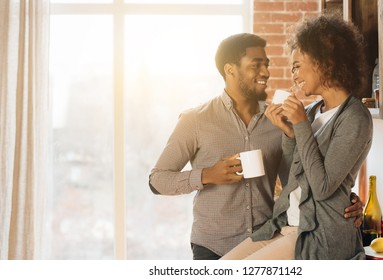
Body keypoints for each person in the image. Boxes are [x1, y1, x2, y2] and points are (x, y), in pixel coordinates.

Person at [148, 32, 364, 260]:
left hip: (269, 236)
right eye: (256, 65)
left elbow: (301, 179)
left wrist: (344, 200)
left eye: (266, 64)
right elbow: (157, 181)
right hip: (211, 246)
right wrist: (207, 175)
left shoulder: (278, 121)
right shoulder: (195, 120)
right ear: (230, 70)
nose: (266, 72)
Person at [221, 14, 373, 260]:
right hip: (287, 224)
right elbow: (293, 177)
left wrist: (300, 125)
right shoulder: (313, 111)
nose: (293, 75)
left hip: (317, 236)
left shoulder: (355, 117)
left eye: (297, 65)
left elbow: (322, 188)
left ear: (324, 61)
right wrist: (289, 133)